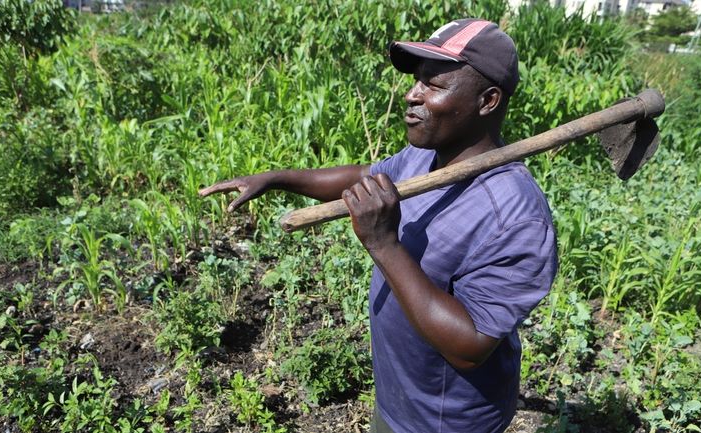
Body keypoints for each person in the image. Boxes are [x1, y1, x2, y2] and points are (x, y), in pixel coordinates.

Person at [199, 18, 557, 433]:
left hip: (444, 420)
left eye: (433, 85)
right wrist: (278, 178)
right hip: (398, 396)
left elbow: (470, 346)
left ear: (488, 100)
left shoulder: (513, 215)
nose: (412, 94)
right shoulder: (426, 156)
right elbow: (362, 178)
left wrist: (384, 244)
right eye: (416, 80)